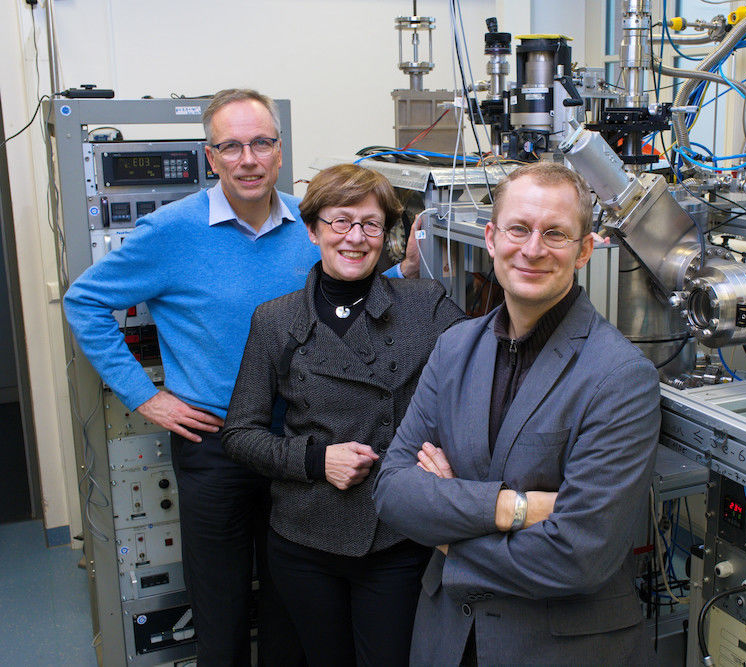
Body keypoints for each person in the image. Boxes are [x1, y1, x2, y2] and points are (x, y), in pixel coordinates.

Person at [62, 89, 419, 664]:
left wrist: (410, 267)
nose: (248, 159)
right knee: (222, 607)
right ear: (211, 157)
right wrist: (144, 397)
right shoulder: (170, 232)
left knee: (290, 607)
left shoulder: (311, 225)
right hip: (213, 445)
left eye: (261, 143)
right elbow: (84, 303)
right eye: (232, 146)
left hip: (298, 442)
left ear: (279, 152)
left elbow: (352, 288)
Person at [373, 161, 661, 665]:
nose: (532, 249)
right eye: (519, 229)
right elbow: (393, 490)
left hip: (557, 649)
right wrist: (515, 508)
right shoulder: (454, 348)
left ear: (585, 250)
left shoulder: (620, 376)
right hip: (445, 640)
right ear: (490, 237)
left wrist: (449, 542)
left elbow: (578, 555)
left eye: (555, 233)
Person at [222, 163, 465, 666]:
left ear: (386, 236)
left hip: (395, 534)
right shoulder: (276, 320)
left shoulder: (426, 305)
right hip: (304, 538)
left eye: (371, 224)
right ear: (312, 231)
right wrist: (316, 460)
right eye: (340, 222)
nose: (355, 237)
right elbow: (239, 434)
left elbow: (484, 370)